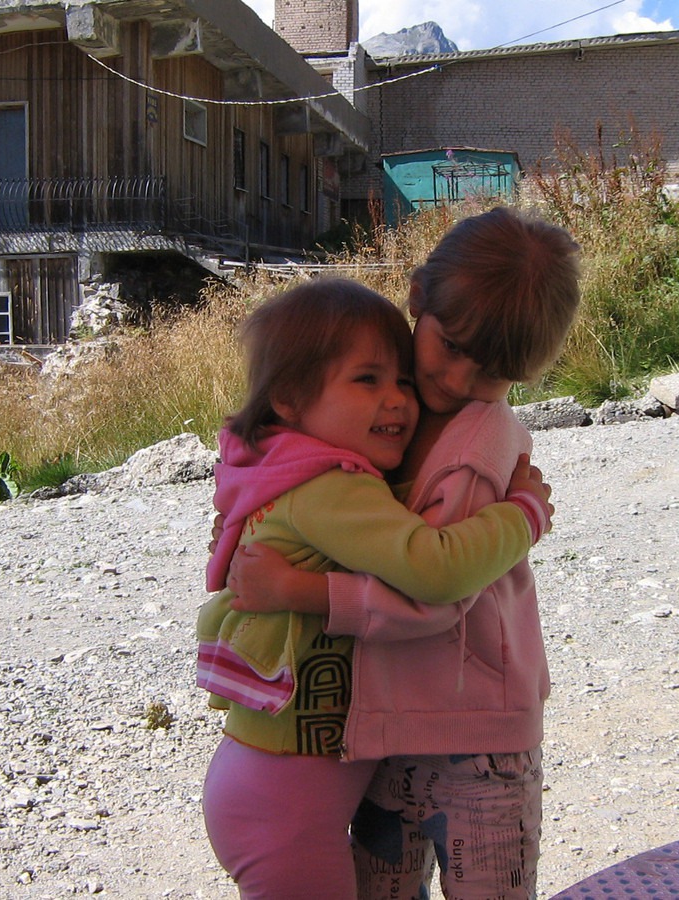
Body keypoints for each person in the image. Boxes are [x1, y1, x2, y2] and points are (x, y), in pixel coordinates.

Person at [226, 206, 582, 899]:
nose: (456, 380)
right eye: (449, 347)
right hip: (389, 724)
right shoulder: (391, 404)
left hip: (477, 732)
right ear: (416, 298)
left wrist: (302, 592)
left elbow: (436, 593)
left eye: (491, 372)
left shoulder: (476, 448)